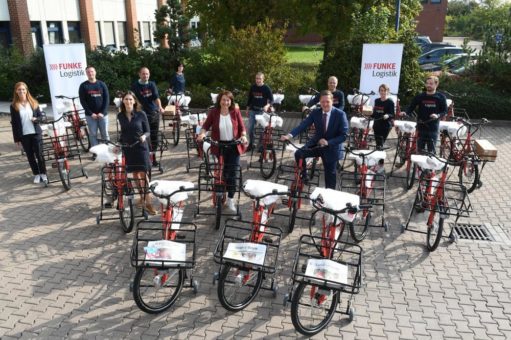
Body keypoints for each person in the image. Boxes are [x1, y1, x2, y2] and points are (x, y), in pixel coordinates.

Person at [281, 90, 349, 189]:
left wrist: (328, 142)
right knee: (299, 154)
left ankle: (328, 198)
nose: (325, 104)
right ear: (319, 102)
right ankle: (304, 176)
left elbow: (344, 136)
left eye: (327, 102)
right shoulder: (316, 113)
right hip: (317, 144)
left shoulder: (340, 114)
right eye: (322, 102)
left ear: (332, 101)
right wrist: (289, 135)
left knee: (330, 178)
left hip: (332, 148)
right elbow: (303, 125)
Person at [197, 90, 248, 212]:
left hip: (233, 145)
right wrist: (202, 134)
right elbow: (205, 126)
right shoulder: (214, 112)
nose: (226, 102)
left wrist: (244, 136)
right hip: (218, 145)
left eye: (228, 100)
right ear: (219, 101)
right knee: (221, 173)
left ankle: (230, 200)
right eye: (224, 99)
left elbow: (242, 127)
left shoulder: (235, 111)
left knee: (233, 174)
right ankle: (219, 191)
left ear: (231, 101)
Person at [117, 91, 156, 215]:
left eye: (130, 99)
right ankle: (142, 198)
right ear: (123, 101)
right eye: (126, 99)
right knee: (135, 175)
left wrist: (144, 136)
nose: (128, 101)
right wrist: (118, 144)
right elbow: (122, 133)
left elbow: (148, 131)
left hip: (141, 148)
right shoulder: (120, 116)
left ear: (134, 101)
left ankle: (148, 203)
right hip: (129, 149)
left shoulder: (141, 114)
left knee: (143, 176)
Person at [10, 82, 47, 184]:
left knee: (39, 155)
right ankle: (36, 174)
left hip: (36, 133)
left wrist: (36, 119)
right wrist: (16, 139)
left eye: (23, 89)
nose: (21, 91)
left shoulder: (33, 102)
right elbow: (14, 123)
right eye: (19, 90)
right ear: (16, 92)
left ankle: (43, 173)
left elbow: (42, 117)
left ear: (26, 90)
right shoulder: (14, 106)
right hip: (24, 135)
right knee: (30, 156)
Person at [401, 75, 447, 154]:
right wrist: (405, 112)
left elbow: (444, 111)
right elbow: (411, 107)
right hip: (421, 127)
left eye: (431, 83)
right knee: (419, 151)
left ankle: (428, 166)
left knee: (431, 153)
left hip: (433, 128)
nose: (428, 85)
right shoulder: (420, 96)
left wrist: (438, 115)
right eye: (427, 83)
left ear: (436, 84)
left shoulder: (441, 97)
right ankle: (419, 166)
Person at [131, 67, 164, 167]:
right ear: (139, 74)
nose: (146, 76)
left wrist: (160, 107)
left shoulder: (152, 84)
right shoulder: (135, 86)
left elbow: (156, 97)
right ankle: (144, 158)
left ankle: (153, 159)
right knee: (144, 137)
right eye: (144, 74)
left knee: (154, 137)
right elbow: (133, 100)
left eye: (147, 74)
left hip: (153, 113)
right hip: (141, 115)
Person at [78, 66, 110, 151]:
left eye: (92, 71)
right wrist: (91, 113)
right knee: (93, 134)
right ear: (86, 73)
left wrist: (102, 112)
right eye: (88, 72)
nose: (90, 73)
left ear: (95, 72)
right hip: (90, 116)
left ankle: (108, 151)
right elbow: (83, 101)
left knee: (105, 134)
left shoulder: (102, 84)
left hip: (103, 115)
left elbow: (107, 99)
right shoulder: (83, 86)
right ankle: (96, 153)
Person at [245, 72, 273, 151]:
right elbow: (249, 99)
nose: (258, 80)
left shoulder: (266, 88)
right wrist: (247, 109)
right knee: (250, 128)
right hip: (253, 110)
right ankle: (251, 144)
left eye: (259, 79)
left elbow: (271, 99)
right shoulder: (253, 87)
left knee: (262, 129)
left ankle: (260, 145)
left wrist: (267, 105)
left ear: (263, 79)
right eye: (256, 78)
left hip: (262, 111)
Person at [371, 84, 395, 148]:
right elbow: (374, 113)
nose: (383, 92)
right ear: (379, 91)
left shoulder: (390, 102)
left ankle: (381, 157)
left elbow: (392, 114)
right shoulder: (377, 101)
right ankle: (378, 156)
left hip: (385, 126)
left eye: (384, 90)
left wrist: (388, 115)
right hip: (376, 125)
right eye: (381, 90)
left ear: (387, 91)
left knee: (380, 144)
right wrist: (369, 114)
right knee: (378, 144)